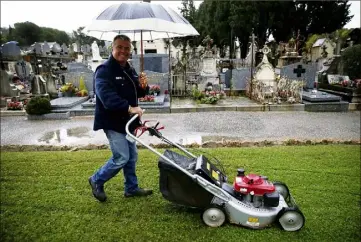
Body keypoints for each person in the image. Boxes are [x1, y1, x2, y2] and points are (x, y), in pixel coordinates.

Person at [89, 34, 152, 202]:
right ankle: (96, 180)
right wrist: (130, 108)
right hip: (113, 122)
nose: (123, 51)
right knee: (121, 157)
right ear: (113, 48)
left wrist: (143, 87)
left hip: (128, 123)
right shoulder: (104, 71)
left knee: (132, 157)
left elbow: (136, 92)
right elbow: (107, 99)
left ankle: (131, 188)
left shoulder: (128, 69)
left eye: (127, 48)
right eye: (120, 47)